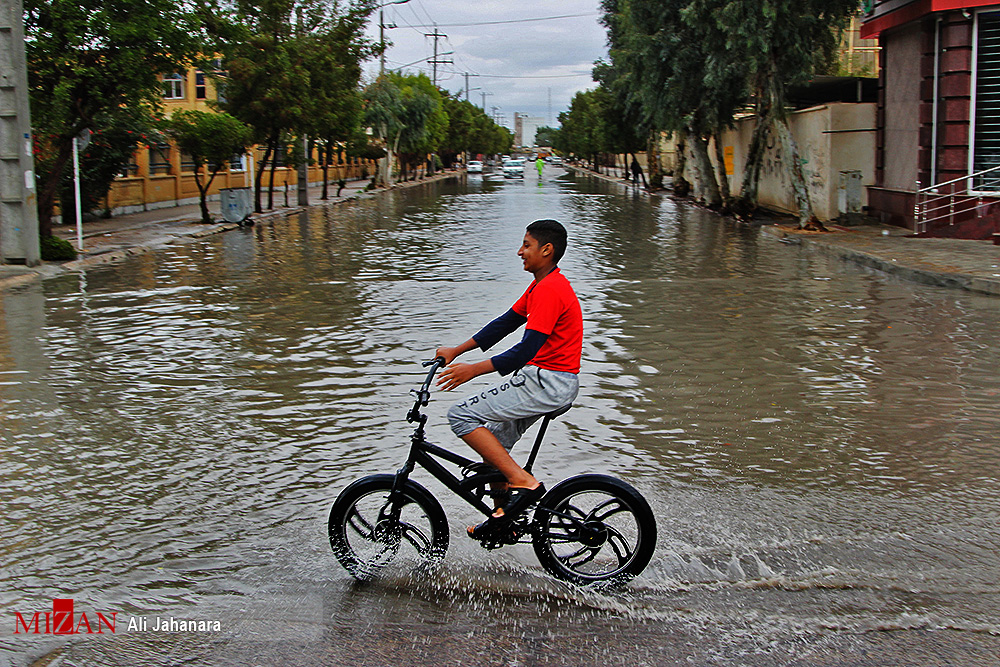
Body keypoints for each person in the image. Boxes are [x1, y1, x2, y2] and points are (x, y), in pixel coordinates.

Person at [435, 219, 582, 539]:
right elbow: (505, 323)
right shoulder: (541, 286)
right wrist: (457, 350)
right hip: (545, 379)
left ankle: (524, 481)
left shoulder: (550, 290)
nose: (520, 252)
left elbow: (524, 351)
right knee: (494, 449)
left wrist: (472, 370)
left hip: (548, 380)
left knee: (460, 415)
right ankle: (504, 519)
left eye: (526, 245)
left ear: (547, 250)